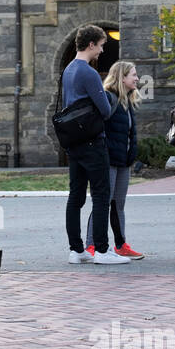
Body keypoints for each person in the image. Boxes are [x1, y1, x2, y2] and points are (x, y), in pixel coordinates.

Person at [62, 25, 128, 265]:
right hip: (92, 141)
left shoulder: (68, 70)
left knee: (76, 195)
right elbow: (105, 109)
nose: (101, 51)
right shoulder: (89, 73)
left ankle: (76, 249)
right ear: (91, 45)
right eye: (100, 46)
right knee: (101, 194)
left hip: (74, 141)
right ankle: (101, 249)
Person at [86, 61, 143, 259]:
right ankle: (91, 245)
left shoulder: (127, 101)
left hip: (123, 161)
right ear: (122, 77)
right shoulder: (109, 98)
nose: (137, 78)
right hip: (107, 161)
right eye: (133, 75)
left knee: (118, 204)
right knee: (102, 202)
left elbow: (128, 133)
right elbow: (97, 129)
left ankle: (121, 244)